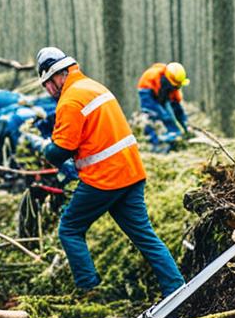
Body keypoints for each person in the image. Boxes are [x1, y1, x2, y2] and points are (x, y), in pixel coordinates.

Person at [33, 46, 185, 297]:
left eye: (47, 84)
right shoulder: (93, 87)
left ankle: (88, 289)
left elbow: (60, 151)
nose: (48, 90)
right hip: (131, 173)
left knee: (70, 228)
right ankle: (176, 288)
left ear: (58, 75)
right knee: (144, 235)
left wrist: (44, 148)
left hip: (104, 179)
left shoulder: (70, 100)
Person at [137, 62, 189, 152]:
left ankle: (172, 138)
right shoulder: (151, 76)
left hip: (161, 95)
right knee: (153, 116)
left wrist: (185, 124)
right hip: (147, 93)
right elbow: (149, 105)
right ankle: (155, 144)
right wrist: (164, 116)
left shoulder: (173, 85)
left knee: (168, 115)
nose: (176, 88)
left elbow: (176, 106)